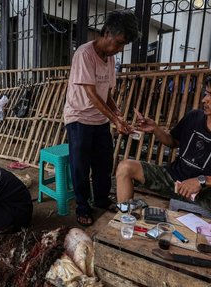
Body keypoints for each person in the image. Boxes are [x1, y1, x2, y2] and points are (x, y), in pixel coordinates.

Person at [116, 70, 211, 286]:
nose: (204, 100)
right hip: (174, 179)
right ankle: (125, 229)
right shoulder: (195, 117)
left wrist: (204, 181)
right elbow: (172, 142)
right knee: (125, 167)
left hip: (210, 192)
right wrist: (156, 130)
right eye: (205, 94)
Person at [63, 9, 139, 226]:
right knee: (80, 166)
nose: (118, 49)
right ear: (106, 32)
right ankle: (82, 206)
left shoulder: (110, 58)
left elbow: (107, 94)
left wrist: (118, 114)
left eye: (123, 45)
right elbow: (92, 94)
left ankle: (101, 200)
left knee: (103, 164)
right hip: (78, 118)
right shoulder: (84, 54)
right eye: (117, 42)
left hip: (100, 119)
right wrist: (115, 120)